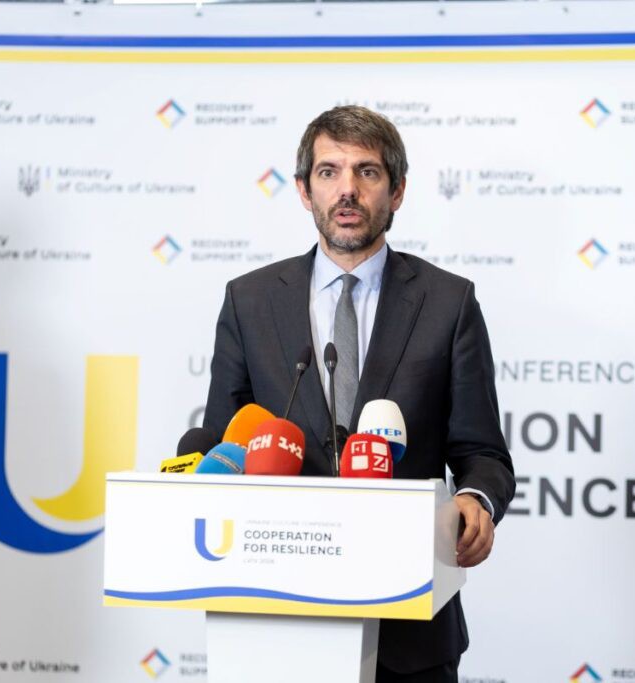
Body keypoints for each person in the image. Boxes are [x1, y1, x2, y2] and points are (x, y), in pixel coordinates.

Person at [203, 105, 515, 682]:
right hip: (276, 615)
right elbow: (222, 441)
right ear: (304, 191)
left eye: (367, 172)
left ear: (397, 192)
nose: (347, 189)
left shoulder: (448, 304)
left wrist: (477, 498)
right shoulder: (249, 301)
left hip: (409, 627)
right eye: (329, 172)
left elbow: (482, 451)